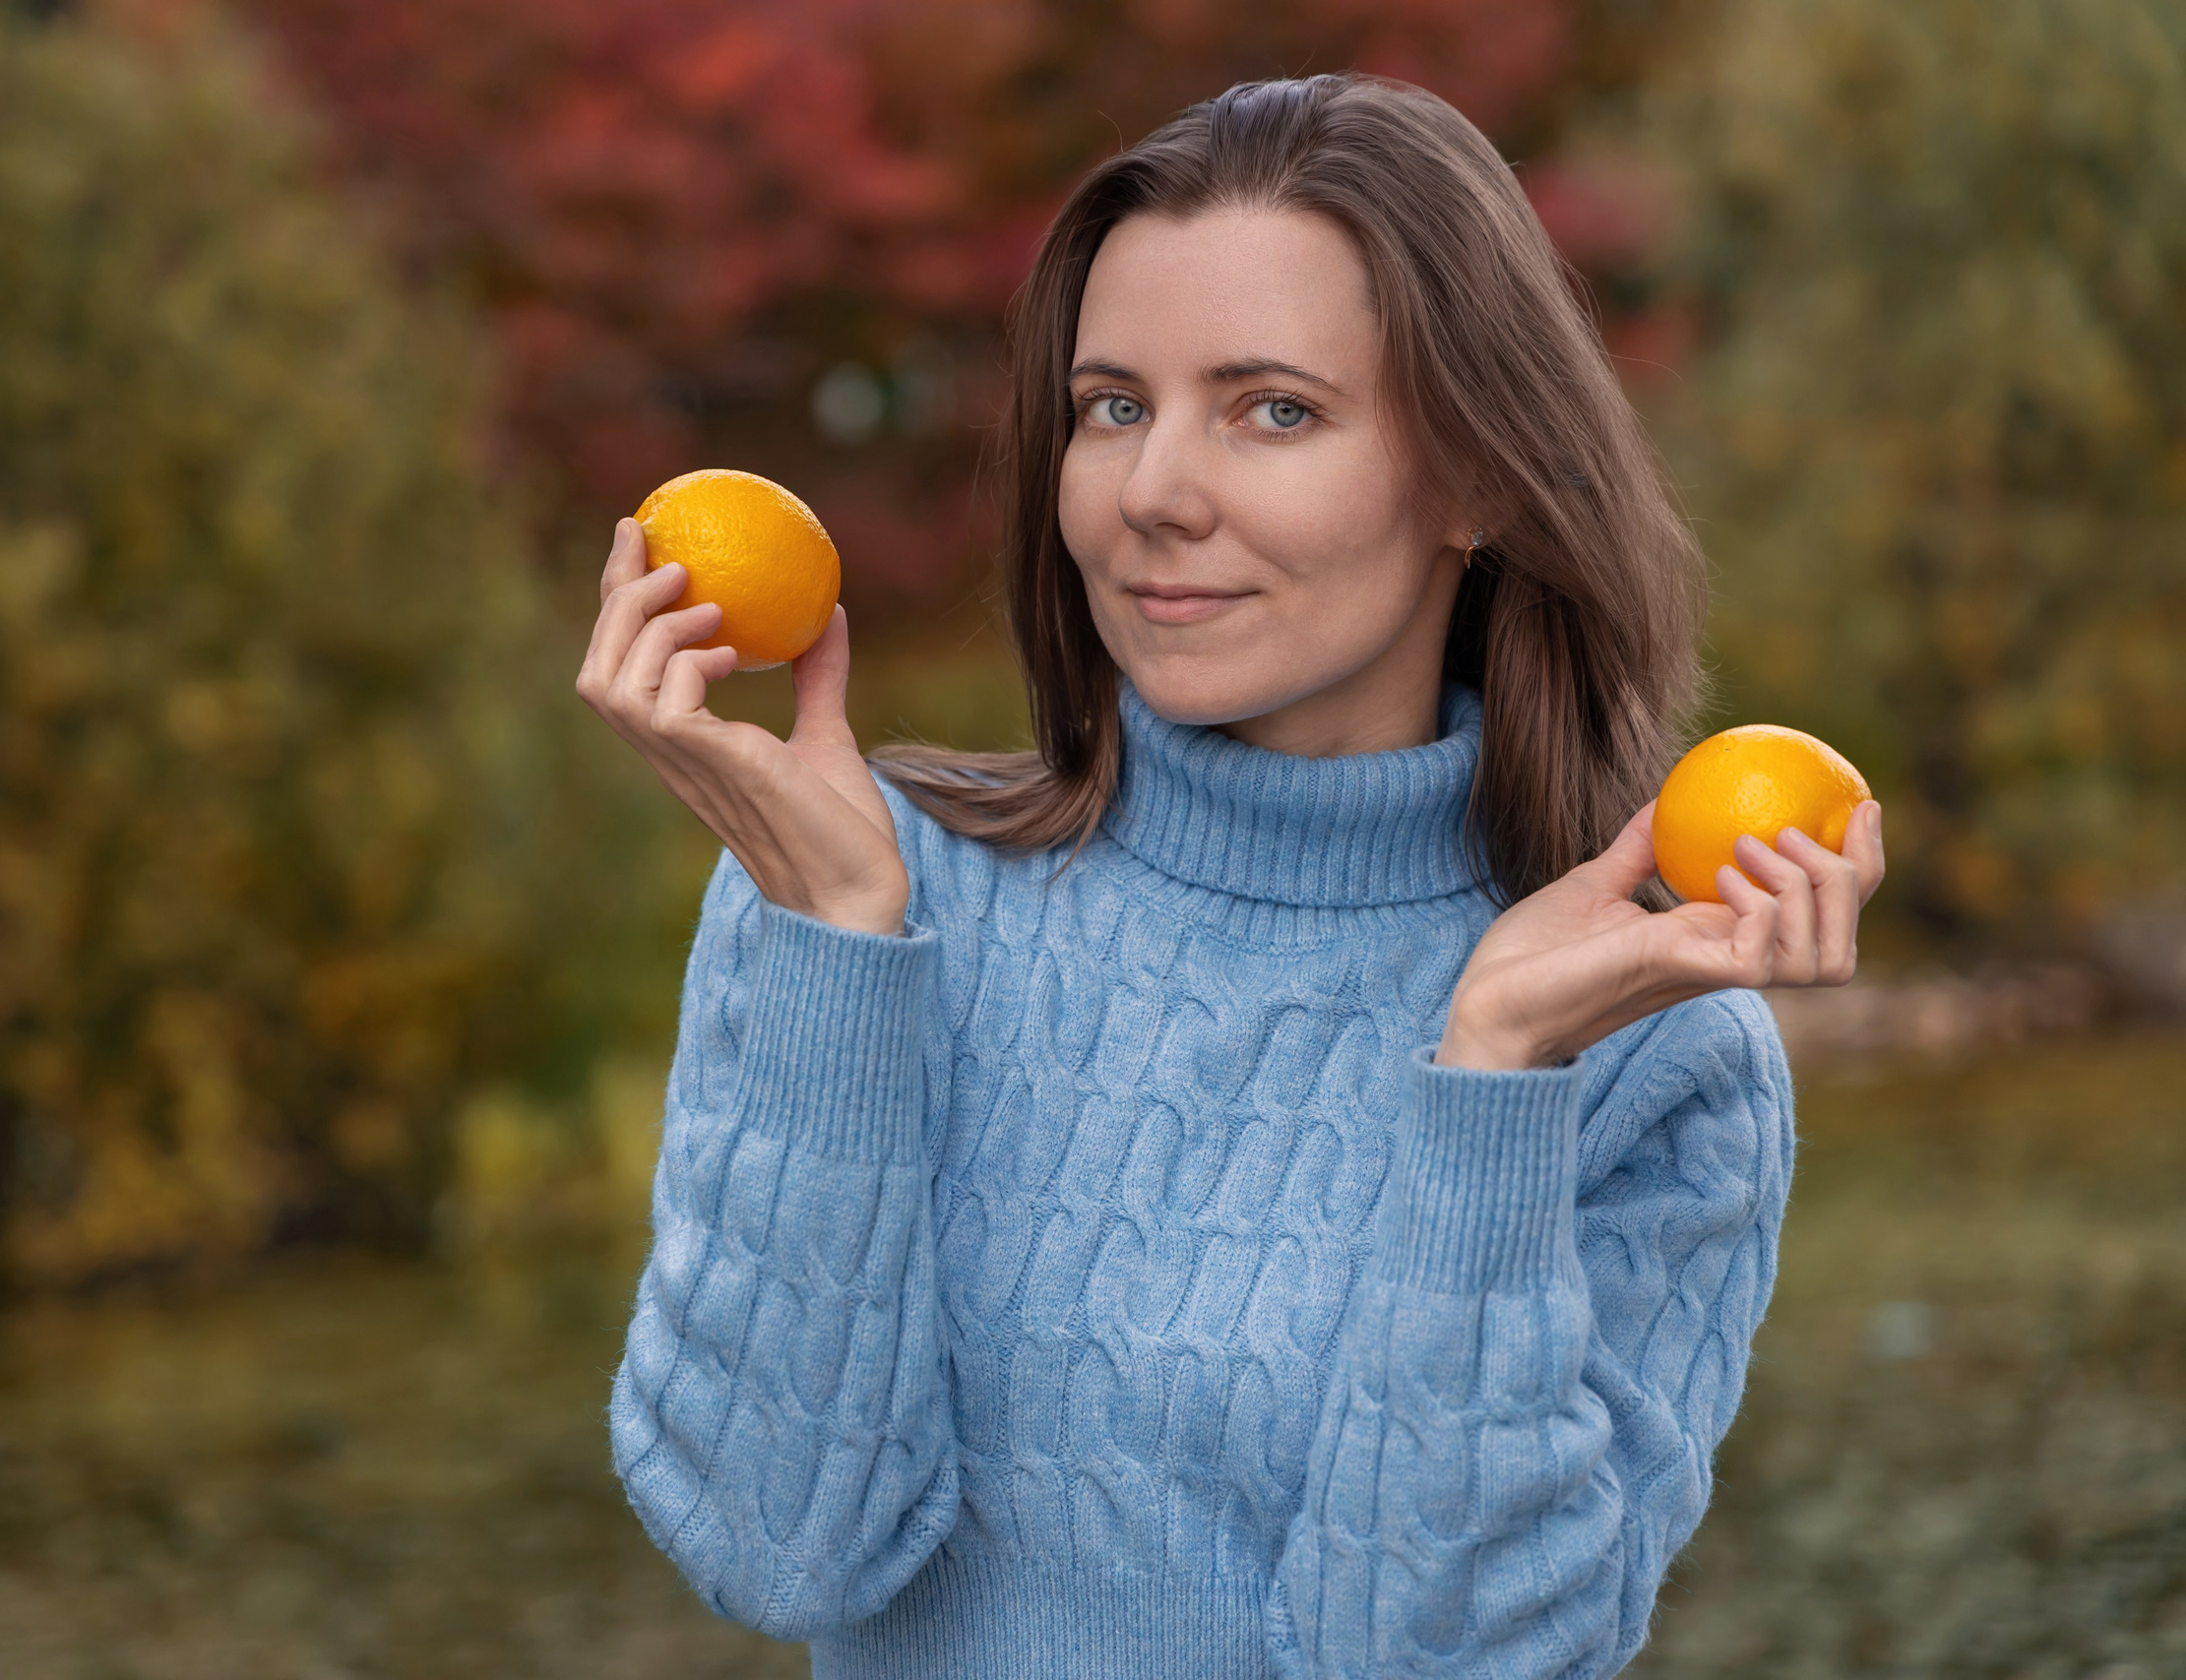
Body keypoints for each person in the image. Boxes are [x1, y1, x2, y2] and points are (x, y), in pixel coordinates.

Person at [577, 73, 1883, 1680]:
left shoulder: (1650, 1047)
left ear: (1474, 477)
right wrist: (836, 956)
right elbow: (777, 1546)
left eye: (1273, 409)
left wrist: (1491, 1088)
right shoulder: (856, 882)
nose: (1153, 494)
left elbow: (1444, 1662)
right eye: (1113, 406)